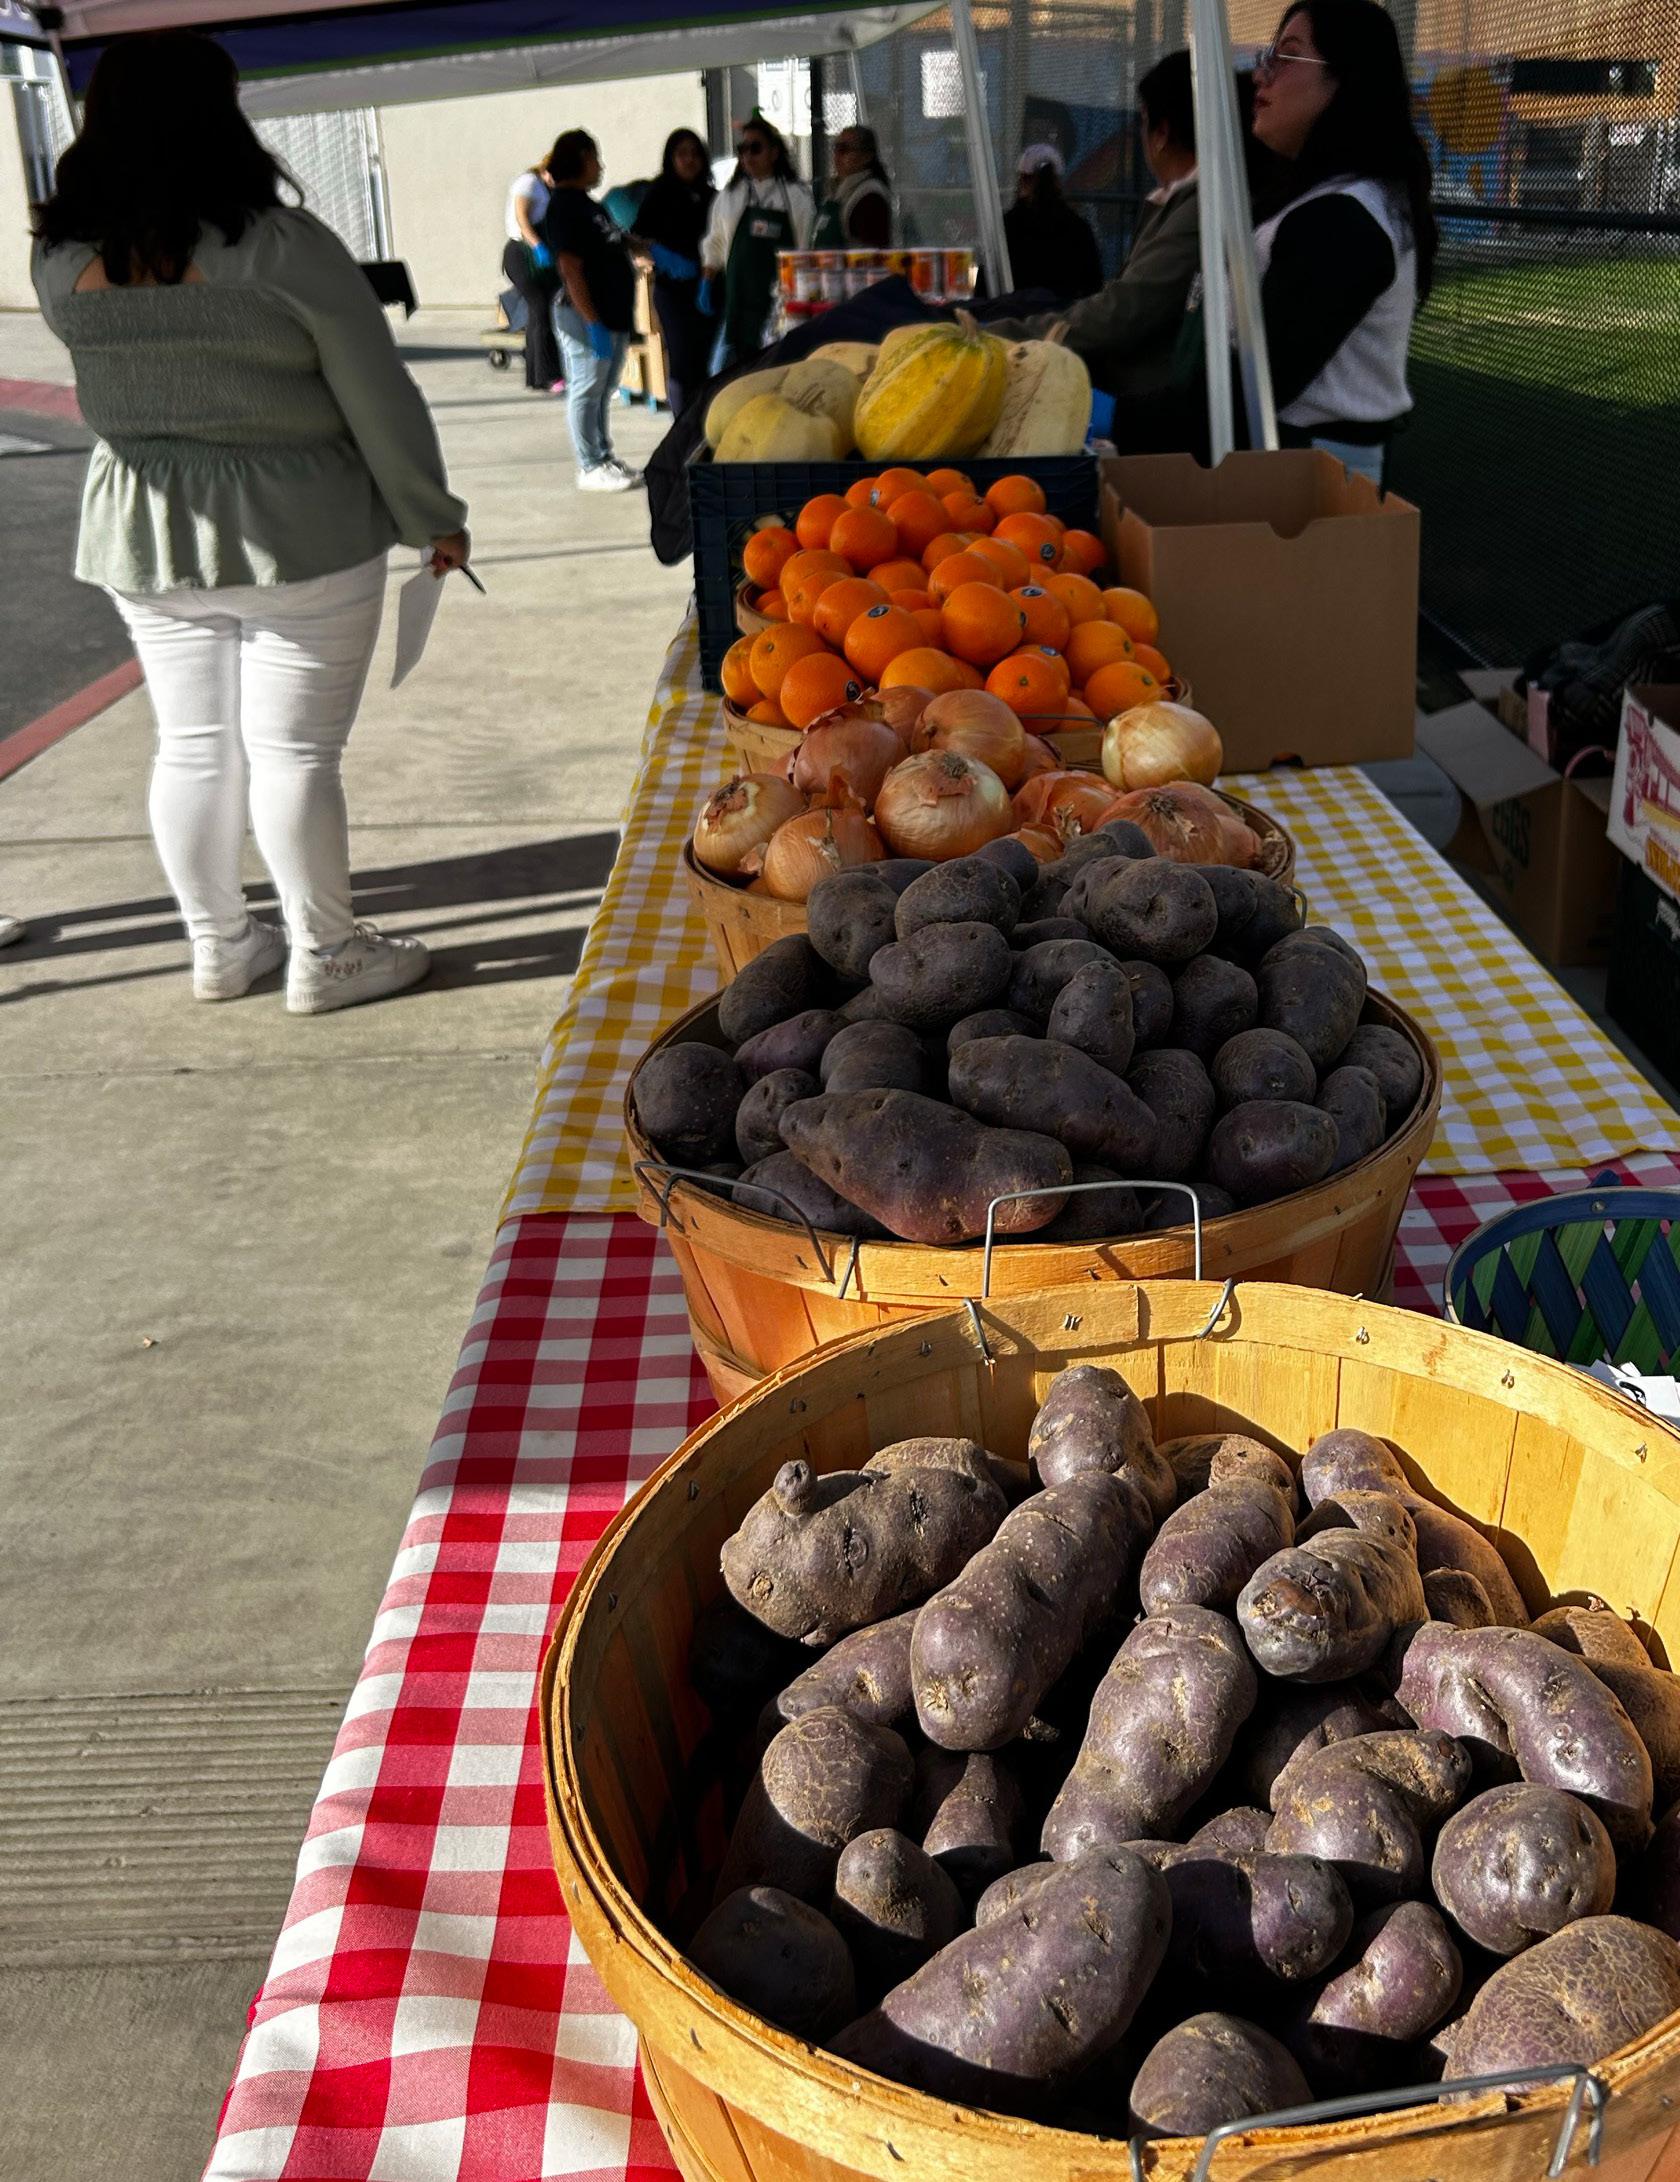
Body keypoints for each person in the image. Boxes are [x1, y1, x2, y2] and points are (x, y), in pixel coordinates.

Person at [32, 30, 468, 1014]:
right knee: (295, 755)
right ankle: (327, 955)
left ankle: (221, 947)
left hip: (145, 532)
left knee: (190, 746)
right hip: (301, 530)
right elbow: (378, 398)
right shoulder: (281, 248)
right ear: (217, 118)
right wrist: (432, 518)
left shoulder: (58, 261)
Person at [1243, 0, 1436, 481]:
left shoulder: (1343, 220)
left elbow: (1262, 380)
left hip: (1309, 484)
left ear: (1347, 80)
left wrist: (1122, 416)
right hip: (1289, 466)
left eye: (1287, 55)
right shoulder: (1317, 198)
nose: (1260, 75)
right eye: (1268, 56)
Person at [989, 53, 1200, 397]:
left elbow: (1122, 311)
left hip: (1135, 398)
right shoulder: (1083, 226)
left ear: (1161, 133)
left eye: (1143, 122)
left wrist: (995, 335)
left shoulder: (1195, 211)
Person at [540, 129, 642, 492]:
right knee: (586, 387)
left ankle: (603, 455)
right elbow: (570, 268)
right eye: (595, 157)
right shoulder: (564, 207)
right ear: (582, 158)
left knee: (603, 388)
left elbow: (613, 242)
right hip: (585, 317)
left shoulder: (588, 204)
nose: (600, 165)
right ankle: (589, 465)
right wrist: (592, 321)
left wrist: (646, 248)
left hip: (610, 313)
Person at [700, 115, 815, 371]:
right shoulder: (730, 196)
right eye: (743, 149)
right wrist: (707, 280)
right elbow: (715, 242)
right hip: (738, 304)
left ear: (774, 152)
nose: (748, 156)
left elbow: (805, 248)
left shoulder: (797, 197)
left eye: (756, 148)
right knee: (723, 372)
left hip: (780, 305)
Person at [631, 127, 717, 421]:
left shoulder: (712, 196)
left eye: (695, 154)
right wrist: (659, 256)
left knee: (706, 360)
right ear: (671, 158)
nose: (689, 160)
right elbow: (635, 239)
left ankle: (705, 421)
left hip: (708, 287)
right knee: (682, 360)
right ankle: (683, 424)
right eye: (682, 154)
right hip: (674, 290)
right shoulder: (659, 194)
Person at [1002, 143, 1103, 307]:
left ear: (1022, 181)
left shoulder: (1006, 226)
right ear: (1058, 181)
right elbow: (1094, 284)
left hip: (1013, 315)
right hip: (1064, 317)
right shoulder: (1078, 228)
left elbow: (984, 280)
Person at [502, 154, 561, 392]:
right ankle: (546, 375)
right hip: (522, 254)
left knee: (542, 311)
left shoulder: (548, 189)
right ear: (545, 170)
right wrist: (538, 246)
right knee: (539, 308)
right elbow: (522, 218)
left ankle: (538, 374)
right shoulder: (529, 182)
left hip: (536, 254)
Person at [812, 124, 893, 249]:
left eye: (844, 149)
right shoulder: (836, 192)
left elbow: (871, 252)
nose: (837, 156)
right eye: (836, 148)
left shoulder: (870, 196)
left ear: (866, 157)